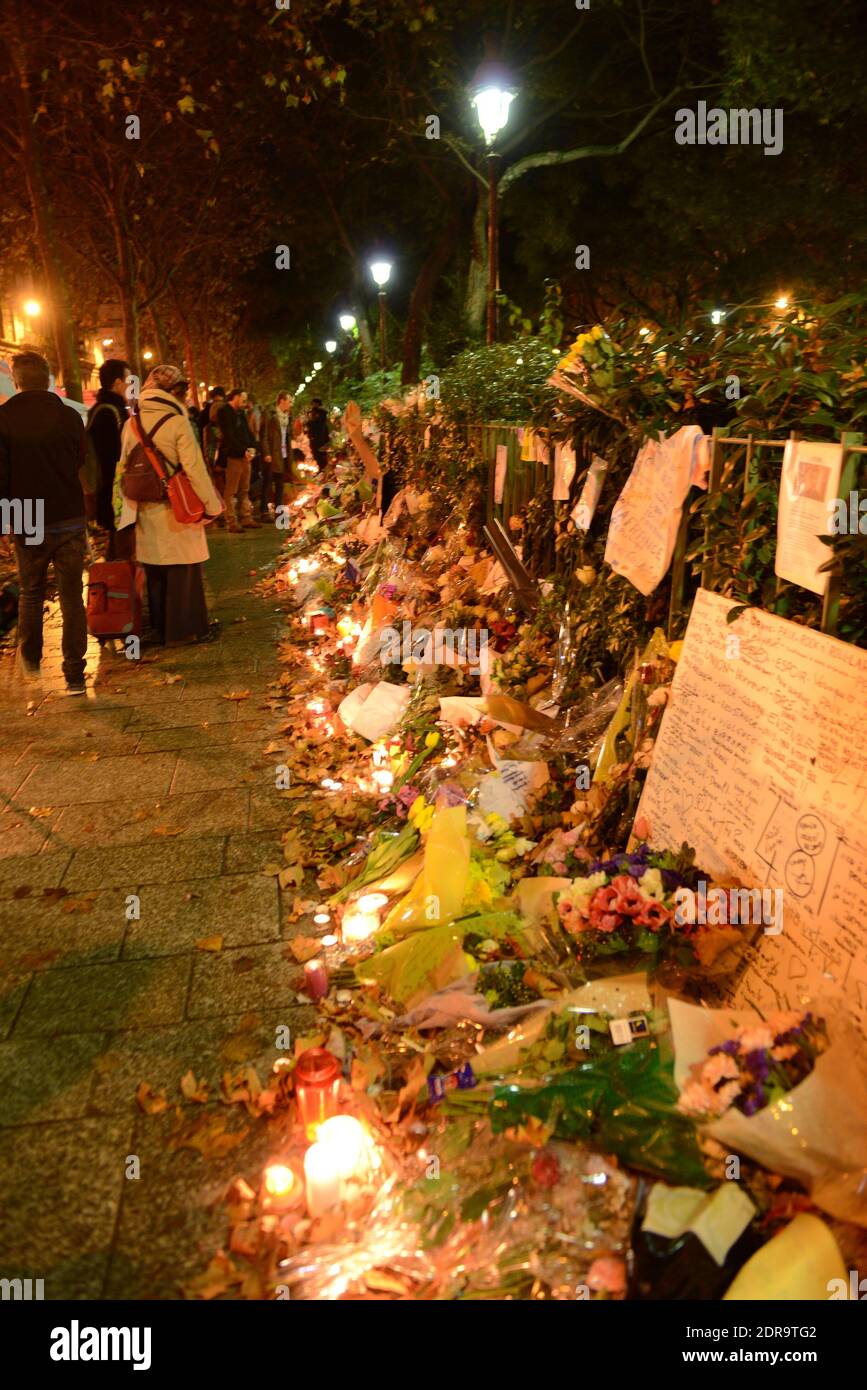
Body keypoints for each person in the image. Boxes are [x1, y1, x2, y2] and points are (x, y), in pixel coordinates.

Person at [0, 351, 89, 693]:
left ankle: (32, 658)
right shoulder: (69, 417)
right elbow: (78, 459)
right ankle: (75, 674)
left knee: (32, 590)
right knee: (71, 595)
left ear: (17, 381)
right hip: (67, 510)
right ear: (48, 378)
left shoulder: (4, 418)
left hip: (27, 512)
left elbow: (2, 475)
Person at [116, 364, 223, 645]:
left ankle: (162, 629)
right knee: (182, 569)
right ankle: (185, 631)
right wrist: (213, 506)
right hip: (177, 507)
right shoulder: (177, 422)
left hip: (143, 507)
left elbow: (123, 469)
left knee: (155, 570)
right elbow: (195, 470)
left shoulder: (131, 424)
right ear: (174, 392)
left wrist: (123, 513)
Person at [87, 357, 129, 557]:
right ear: (117, 383)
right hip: (115, 492)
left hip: (110, 491)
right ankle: (119, 585)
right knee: (121, 547)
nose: (130, 385)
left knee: (117, 545)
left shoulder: (101, 409)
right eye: (128, 380)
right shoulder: (110, 412)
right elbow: (113, 457)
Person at [216, 388, 260, 532]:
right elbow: (228, 436)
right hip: (233, 456)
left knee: (244, 489)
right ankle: (232, 521)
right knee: (231, 490)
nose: (245, 402)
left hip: (245, 456)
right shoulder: (224, 412)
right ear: (235, 397)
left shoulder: (240, 413)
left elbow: (247, 432)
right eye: (243, 399)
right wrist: (244, 450)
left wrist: (253, 447)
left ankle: (246, 517)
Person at [258, 390, 293, 518]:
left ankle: (279, 510)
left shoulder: (287, 416)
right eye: (289, 401)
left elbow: (288, 436)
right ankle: (264, 510)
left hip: (283, 454)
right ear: (282, 401)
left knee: (280, 483)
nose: (290, 404)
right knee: (267, 482)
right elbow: (264, 435)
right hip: (272, 454)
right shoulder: (270, 414)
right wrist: (266, 453)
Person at [306, 396, 330, 471]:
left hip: (319, 439)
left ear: (317, 404)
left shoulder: (320, 413)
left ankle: (323, 471)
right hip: (316, 439)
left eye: (314, 404)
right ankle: (321, 470)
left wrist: (309, 423)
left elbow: (317, 425)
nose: (312, 405)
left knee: (321, 457)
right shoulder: (314, 413)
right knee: (318, 456)